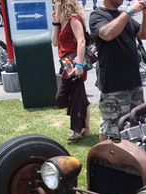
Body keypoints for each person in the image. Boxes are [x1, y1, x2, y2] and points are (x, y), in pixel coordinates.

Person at [89, 0, 146, 142]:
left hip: (134, 82)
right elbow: (107, 34)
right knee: (111, 129)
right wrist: (128, 11)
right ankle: (104, 160)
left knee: (137, 124)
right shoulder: (97, 15)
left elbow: (144, 34)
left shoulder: (123, 15)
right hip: (114, 86)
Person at [52, 0, 91, 141]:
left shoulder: (74, 20)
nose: (53, 5)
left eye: (55, 2)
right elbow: (55, 42)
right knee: (69, 98)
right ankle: (85, 127)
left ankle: (78, 130)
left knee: (75, 98)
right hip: (66, 65)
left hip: (75, 64)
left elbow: (81, 41)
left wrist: (79, 65)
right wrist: (56, 23)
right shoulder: (62, 22)